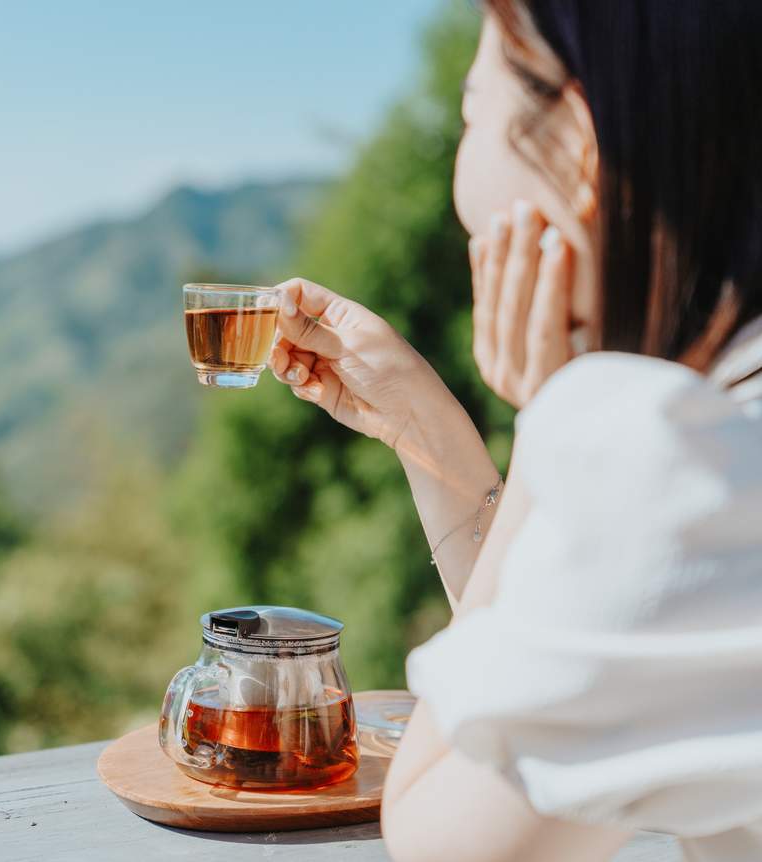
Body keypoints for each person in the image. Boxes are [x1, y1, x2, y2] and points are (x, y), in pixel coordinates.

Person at [267, 2, 762, 860]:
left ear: (575, 147)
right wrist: (429, 438)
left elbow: (442, 836)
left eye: (470, 115)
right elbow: (578, 719)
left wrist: (557, 421)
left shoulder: (701, 473)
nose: (460, 181)